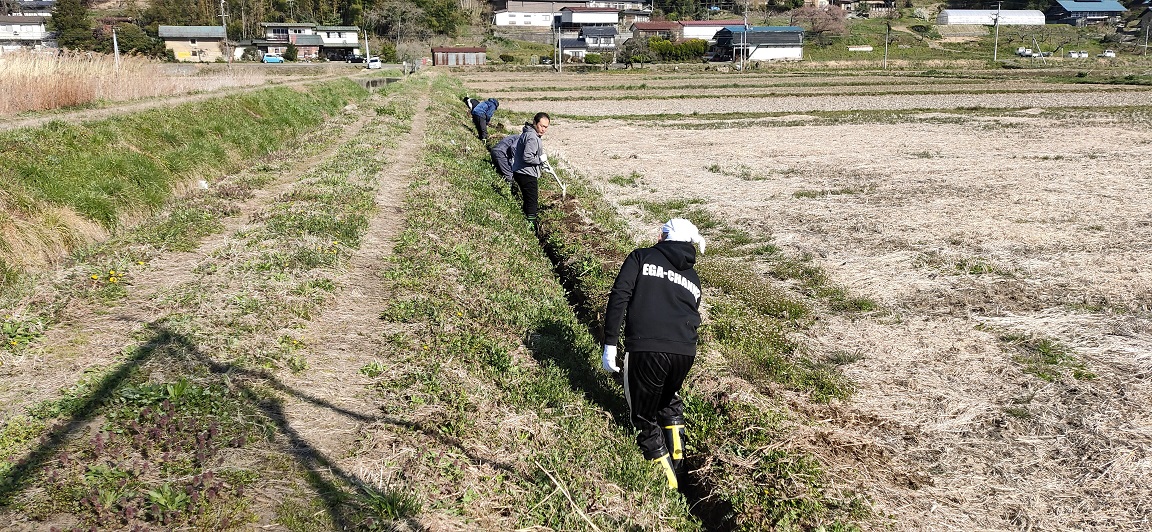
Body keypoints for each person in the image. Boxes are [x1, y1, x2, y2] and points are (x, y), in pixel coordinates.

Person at [601, 218, 706, 490]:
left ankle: (668, 486)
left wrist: (610, 342)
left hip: (647, 347)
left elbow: (620, 295)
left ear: (664, 236)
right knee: (668, 399)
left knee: (643, 417)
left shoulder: (641, 257)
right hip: (685, 352)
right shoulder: (693, 277)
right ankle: (679, 463)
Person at [509, 112, 550, 230]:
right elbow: (527, 157)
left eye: (546, 127)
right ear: (535, 123)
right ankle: (531, 229)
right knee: (532, 202)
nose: (543, 129)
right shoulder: (532, 137)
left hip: (520, 171)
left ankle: (526, 222)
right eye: (541, 126)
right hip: (526, 173)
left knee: (528, 200)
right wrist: (540, 160)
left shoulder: (528, 133)